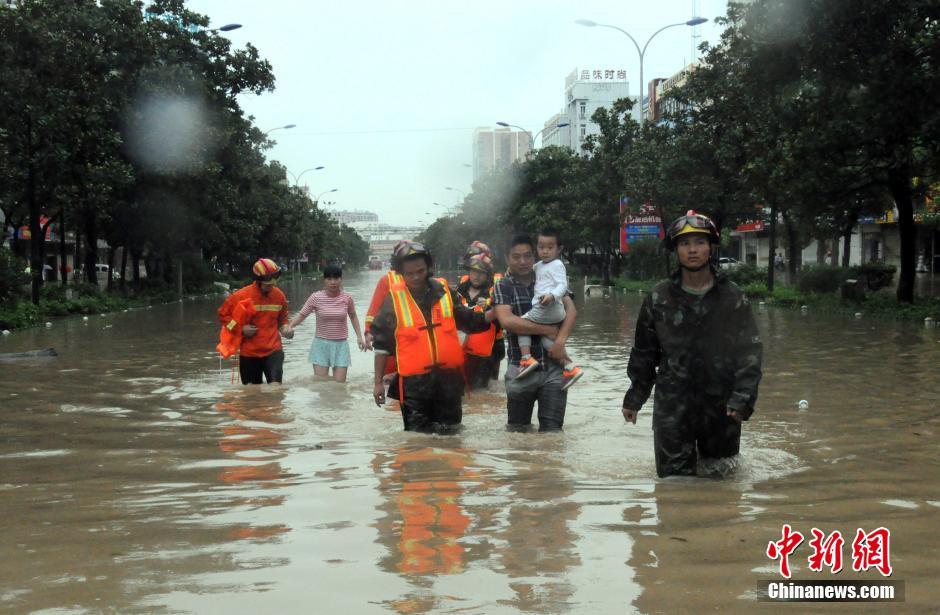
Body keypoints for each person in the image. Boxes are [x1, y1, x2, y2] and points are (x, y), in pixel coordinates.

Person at [621, 210, 763, 478]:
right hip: (672, 407)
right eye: (685, 244)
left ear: (711, 246)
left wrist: (743, 399)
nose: (693, 250)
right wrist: (634, 398)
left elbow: (749, 353)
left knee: (723, 481)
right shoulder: (658, 297)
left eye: (699, 242)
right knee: (673, 487)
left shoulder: (732, 297)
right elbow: (644, 353)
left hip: (722, 408)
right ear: (675, 250)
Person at [370, 241, 495, 433]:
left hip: (449, 383)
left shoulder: (445, 291)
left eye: (420, 271)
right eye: (410, 273)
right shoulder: (394, 300)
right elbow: (381, 346)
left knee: (453, 439)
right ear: (400, 273)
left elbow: (466, 319)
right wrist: (378, 383)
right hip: (414, 387)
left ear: (429, 267)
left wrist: (492, 314)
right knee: (417, 442)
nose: (416, 277)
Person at [493, 234, 578, 432]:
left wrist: (560, 341)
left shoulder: (548, 277)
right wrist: (547, 330)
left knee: (553, 433)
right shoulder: (503, 285)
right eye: (516, 257)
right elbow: (507, 321)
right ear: (507, 258)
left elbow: (571, 311)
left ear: (535, 255)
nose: (522, 262)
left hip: (553, 368)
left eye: (527, 256)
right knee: (517, 432)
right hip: (520, 368)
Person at [514, 229, 582, 389]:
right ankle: (569, 367)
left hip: (550, 306)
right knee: (546, 339)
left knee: (521, 325)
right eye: (541, 247)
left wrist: (552, 296)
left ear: (559, 249)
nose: (545, 251)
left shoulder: (557, 265)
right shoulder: (539, 266)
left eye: (550, 247)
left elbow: (562, 285)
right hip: (553, 312)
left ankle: (525, 358)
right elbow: (529, 269)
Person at [217, 258, 294, 385]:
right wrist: (240, 329)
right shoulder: (241, 295)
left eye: (273, 282)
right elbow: (222, 316)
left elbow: (282, 320)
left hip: (273, 350)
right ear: (258, 280)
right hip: (249, 353)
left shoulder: (279, 296)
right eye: (267, 283)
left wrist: (286, 329)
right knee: (251, 394)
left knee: (276, 390)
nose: (271, 286)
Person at [287, 264, 365, 383]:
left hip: (341, 345)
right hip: (321, 345)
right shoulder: (316, 297)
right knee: (321, 385)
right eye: (329, 279)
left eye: (336, 278)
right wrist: (289, 326)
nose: (333, 282)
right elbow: (302, 314)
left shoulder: (347, 298)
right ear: (324, 280)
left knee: (339, 385)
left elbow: (353, 316)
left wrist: (359, 337)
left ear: (341, 279)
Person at [455, 253, 504, 390]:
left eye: (481, 272)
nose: (476, 276)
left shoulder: (495, 294)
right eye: (474, 271)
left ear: (488, 274)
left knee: (483, 393)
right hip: (462, 353)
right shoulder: (458, 292)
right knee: (462, 390)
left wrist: (490, 307)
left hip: (488, 354)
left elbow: (505, 321)